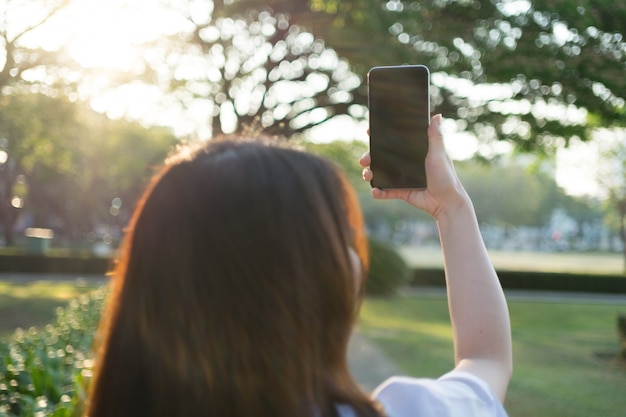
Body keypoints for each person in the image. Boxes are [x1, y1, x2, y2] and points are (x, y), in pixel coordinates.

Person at [84, 114, 512, 417]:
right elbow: (487, 360)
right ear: (310, 279)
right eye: (341, 234)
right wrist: (452, 208)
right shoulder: (408, 412)